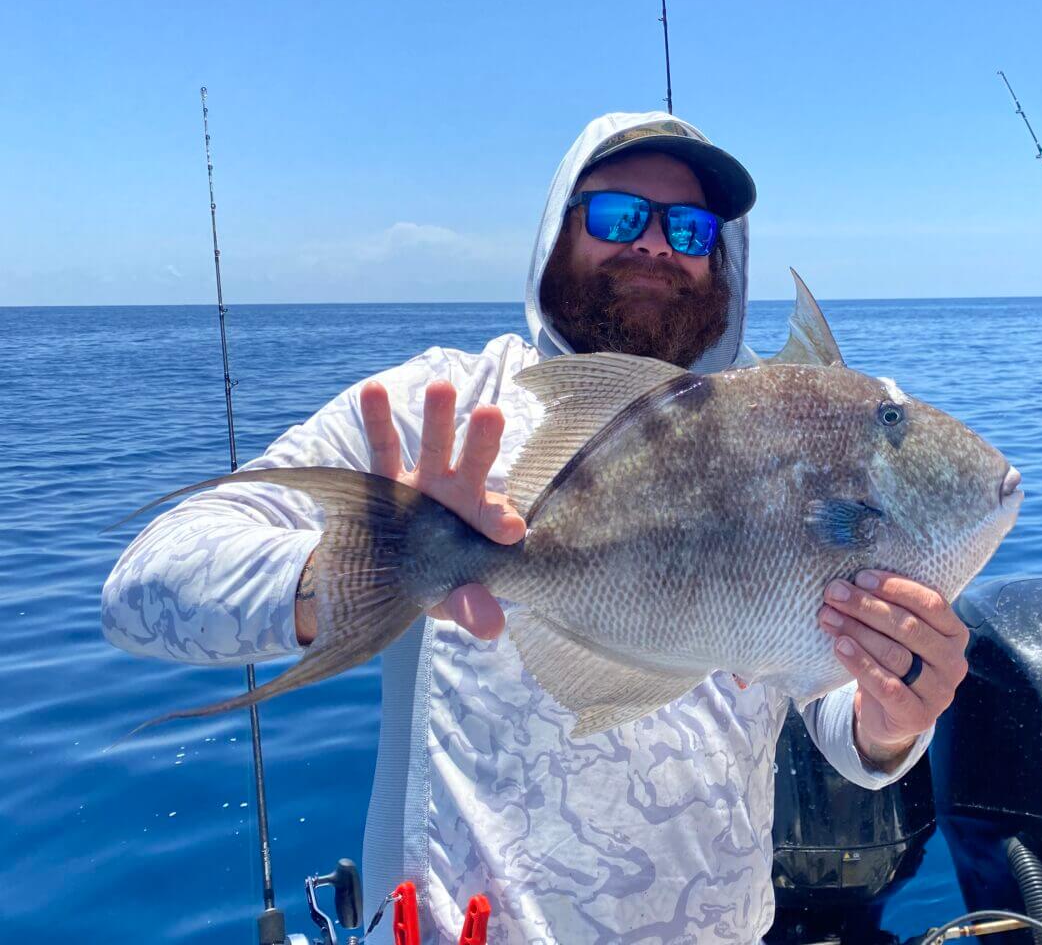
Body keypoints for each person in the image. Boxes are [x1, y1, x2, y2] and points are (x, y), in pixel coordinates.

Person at [102, 111, 974, 944]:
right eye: (620, 213)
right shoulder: (437, 410)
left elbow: (829, 706)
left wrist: (893, 715)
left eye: (691, 230)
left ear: (725, 260)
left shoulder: (784, 426)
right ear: (558, 228)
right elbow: (143, 587)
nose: (654, 244)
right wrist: (368, 568)